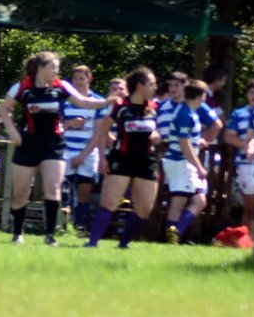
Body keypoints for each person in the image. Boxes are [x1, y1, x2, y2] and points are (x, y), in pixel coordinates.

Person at [0, 50, 112, 245]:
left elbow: (83, 101)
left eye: (57, 68)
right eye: (53, 67)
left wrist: (107, 101)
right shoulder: (22, 87)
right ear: (40, 67)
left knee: (53, 188)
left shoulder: (61, 86)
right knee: (20, 193)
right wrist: (12, 131)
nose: (56, 71)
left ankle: (49, 236)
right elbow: (4, 108)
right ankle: (17, 233)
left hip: (54, 143)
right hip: (28, 143)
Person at [85, 68, 159, 248]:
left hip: (146, 161)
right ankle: (92, 243)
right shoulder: (121, 107)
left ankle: (123, 244)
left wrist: (156, 136)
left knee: (144, 209)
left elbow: (158, 131)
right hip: (122, 159)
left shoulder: (154, 107)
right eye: (151, 84)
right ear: (140, 85)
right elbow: (103, 129)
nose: (155, 87)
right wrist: (103, 157)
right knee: (108, 203)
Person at [162, 78, 213, 244]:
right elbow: (184, 144)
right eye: (204, 94)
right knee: (179, 201)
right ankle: (171, 239)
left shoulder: (191, 112)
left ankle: (175, 233)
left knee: (200, 200)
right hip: (179, 162)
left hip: (185, 163)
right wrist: (199, 167)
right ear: (200, 95)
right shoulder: (184, 114)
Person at [62, 64, 110, 233]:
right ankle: (62, 224)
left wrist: (83, 155)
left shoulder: (97, 101)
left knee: (84, 191)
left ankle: (80, 226)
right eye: (75, 78)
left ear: (89, 79)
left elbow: (99, 132)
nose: (78, 82)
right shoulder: (66, 100)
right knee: (64, 189)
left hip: (87, 152)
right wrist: (69, 123)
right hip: (66, 149)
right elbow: (57, 125)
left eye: (81, 78)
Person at [222, 79, 254, 242]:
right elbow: (228, 137)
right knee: (250, 208)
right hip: (246, 164)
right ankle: (245, 241)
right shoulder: (239, 114)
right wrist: (248, 147)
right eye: (251, 92)